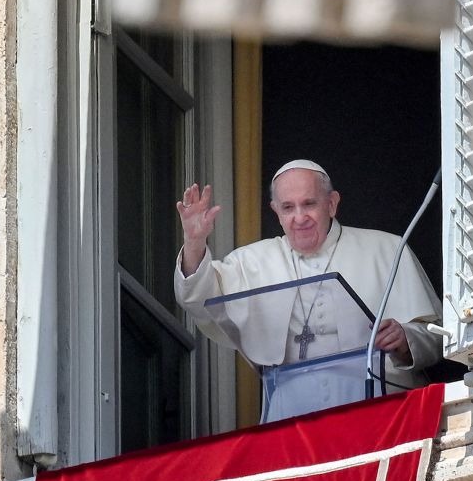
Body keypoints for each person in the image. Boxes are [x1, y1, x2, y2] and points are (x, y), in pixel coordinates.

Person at [174, 159, 442, 421]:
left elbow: (439, 338)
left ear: (332, 204)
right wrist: (195, 242)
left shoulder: (387, 249)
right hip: (291, 413)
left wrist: (405, 340)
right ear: (276, 211)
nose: (299, 217)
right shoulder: (251, 262)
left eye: (309, 204)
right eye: (288, 207)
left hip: (379, 406)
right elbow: (199, 300)